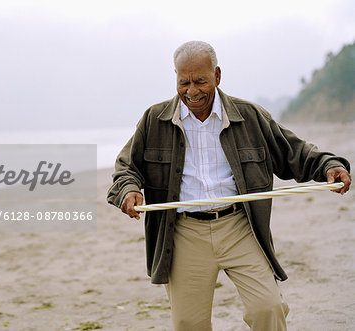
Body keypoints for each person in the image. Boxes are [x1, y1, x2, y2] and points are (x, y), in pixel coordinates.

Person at [106, 41, 351, 331]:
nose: (191, 90)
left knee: (268, 308)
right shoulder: (154, 119)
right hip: (185, 233)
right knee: (188, 323)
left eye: (200, 81)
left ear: (217, 75)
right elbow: (126, 168)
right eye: (183, 81)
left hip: (239, 226)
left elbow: (293, 152)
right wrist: (128, 190)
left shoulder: (249, 116)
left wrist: (329, 165)